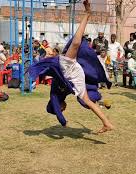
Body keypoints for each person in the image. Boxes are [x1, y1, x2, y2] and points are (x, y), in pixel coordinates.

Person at [30, 0, 113, 133]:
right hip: (73, 74)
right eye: (63, 110)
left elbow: (56, 110)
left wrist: (63, 121)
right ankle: (106, 122)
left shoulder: (55, 97)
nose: (64, 109)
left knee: (75, 43)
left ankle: (87, 14)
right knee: (87, 101)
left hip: (67, 69)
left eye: (62, 108)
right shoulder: (62, 96)